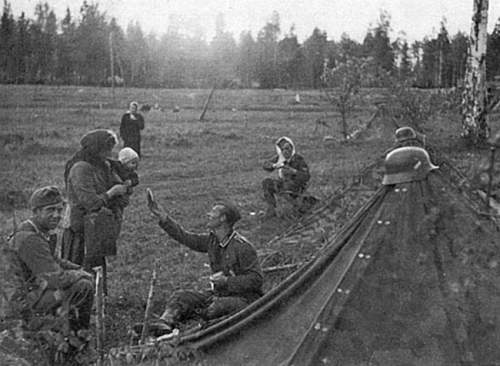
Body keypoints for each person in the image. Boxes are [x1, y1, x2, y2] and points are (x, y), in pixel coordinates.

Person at [144, 194, 264, 335]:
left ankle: (192, 328)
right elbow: (185, 237)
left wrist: (227, 281)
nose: (208, 214)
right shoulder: (212, 241)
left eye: (213, 212)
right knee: (181, 297)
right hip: (219, 294)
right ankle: (164, 325)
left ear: (223, 218)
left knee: (218, 306)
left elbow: (257, 280)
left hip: (245, 299)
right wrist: (164, 218)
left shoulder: (242, 247)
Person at [7, 186, 94, 330]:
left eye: (59, 210)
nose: (57, 215)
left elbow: (54, 260)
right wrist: (79, 274)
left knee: (80, 281)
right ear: (36, 212)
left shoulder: (36, 229)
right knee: (83, 286)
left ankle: (63, 330)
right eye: (50, 210)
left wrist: (79, 269)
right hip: (17, 306)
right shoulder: (30, 238)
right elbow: (54, 278)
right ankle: (77, 338)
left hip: (27, 293)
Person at [62, 129, 129, 270]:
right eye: (106, 150)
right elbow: (91, 203)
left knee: (96, 271)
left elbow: (120, 189)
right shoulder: (81, 168)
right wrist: (112, 192)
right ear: (95, 149)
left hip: (97, 227)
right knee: (78, 271)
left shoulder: (102, 166)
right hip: (79, 229)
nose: (109, 154)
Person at [262, 136, 311, 217]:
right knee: (267, 183)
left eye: (287, 149)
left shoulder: (298, 159)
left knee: (287, 186)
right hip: (282, 183)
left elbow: (306, 176)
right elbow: (265, 164)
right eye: (283, 149)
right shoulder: (280, 158)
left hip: (296, 185)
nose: (285, 151)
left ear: (292, 149)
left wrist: (294, 172)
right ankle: (271, 209)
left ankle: (296, 208)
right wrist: (274, 165)